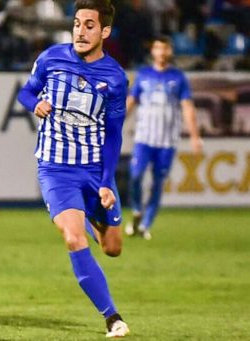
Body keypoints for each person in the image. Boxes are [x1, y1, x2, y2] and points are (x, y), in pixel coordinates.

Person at [17, 0, 130, 337]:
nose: (81, 31)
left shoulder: (115, 78)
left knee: (112, 248)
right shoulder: (52, 58)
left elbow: (113, 133)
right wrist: (34, 103)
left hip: (95, 170)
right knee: (73, 236)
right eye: (77, 23)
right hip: (56, 169)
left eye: (90, 25)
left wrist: (108, 181)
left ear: (105, 31)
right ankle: (113, 317)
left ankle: (91, 217)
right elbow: (25, 92)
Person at [125, 36, 202, 240]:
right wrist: (114, 125)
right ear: (153, 51)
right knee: (135, 175)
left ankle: (145, 225)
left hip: (167, 141)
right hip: (144, 138)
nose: (161, 51)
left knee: (158, 183)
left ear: (170, 51)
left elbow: (187, 107)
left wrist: (195, 136)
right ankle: (136, 210)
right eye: (157, 47)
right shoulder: (143, 75)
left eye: (165, 47)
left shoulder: (178, 78)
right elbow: (131, 102)